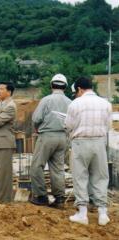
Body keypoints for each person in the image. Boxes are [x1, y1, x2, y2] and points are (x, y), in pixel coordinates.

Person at [65, 77, 112, 226]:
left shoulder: (75, 104)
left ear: (79, 89)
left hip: (80, 142)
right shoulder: (105, 104)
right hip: (99, 142)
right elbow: (108, 125)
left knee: (80, 177)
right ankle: (102, 213)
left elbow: (68, 125)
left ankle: (83, 213)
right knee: (100, 176)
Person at [30, 74, 71, 208]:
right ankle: (59, 199)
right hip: (62, 137)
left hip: (47, 136)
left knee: (37, 166)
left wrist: (36, 128)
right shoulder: (70, 102)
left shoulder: (46, 100)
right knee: (58, 169)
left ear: (51, 85)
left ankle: (41, 196)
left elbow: (36, 118)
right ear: (65, 87)